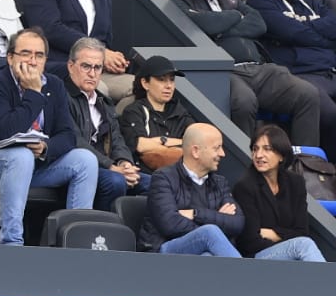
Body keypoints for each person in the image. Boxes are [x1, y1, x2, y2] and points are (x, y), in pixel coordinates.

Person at [0, 27, 101, 245]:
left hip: (34, 163)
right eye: (26, 54)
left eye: (39, 55)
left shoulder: (55, 84)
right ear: (10, 58)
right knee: (20, 155)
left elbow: (68, 135)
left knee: (86, 160)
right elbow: (8, 130)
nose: (33, 61)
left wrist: (46, 147)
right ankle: (12, 243)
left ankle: (76, 244)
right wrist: (33, 92)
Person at [166, 0, 323, 147]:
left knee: (308, 94)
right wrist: (234, 15)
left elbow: (258, 23)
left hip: (259, 68)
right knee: (244, 100)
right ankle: (245, 169)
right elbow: (202, 24)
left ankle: (307, 165)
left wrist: (221, 28)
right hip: (222, 71)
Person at [247, 0, 336, 148]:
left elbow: (330, 24)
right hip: (298, 75)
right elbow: (292, 33)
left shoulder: (312, 2)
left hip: (329, 71)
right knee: (330, 114)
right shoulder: (260, 1)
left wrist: (304, 31)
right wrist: (326, 39)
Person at [64, 35, 146, 208]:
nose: (92, 74)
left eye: (97, 67)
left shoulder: (104, 101)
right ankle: (103, 231)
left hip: (108, 167)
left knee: (156, 185)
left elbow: (117, 138)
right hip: (78, 167)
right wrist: (111, 166)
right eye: (86, 66)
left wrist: (125, 163)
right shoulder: (62, 97)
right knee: (116, 181)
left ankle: (134, 233)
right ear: (71, 66)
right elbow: (75, 141)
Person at [139, 121, 245, 253]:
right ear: (195, 151)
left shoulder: (220, 182)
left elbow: (237, 223)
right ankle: (246, 273)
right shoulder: (163, 178)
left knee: (208, 255)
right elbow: (170, 225)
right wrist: (217, 218)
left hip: (203, 252)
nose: (222, 153)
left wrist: (195, 214)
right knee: (209, 232)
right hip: (165, 251)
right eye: (217, 148)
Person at [234, 122, 327, 258]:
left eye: (267, 149)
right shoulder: (245, 187)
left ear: (281, 155)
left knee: (302, 244)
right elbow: (249, 241)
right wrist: (286, 241)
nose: (259, 155)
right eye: (255, 149)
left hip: (288, 252)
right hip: (257, 256)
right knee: (303, 245)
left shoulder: (296, 183)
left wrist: (274, 234)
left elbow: (302, 231)